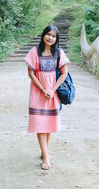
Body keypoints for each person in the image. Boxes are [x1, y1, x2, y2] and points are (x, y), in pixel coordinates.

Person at [24, 25, 70, 170]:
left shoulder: (59, 53)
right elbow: (31, 73)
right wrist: (43, 89)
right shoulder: (34, 52)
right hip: (38, 93)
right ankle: (45, 156)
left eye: (54, 36)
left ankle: (45, 151)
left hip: (52, 94)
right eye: (48, 34)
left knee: (48, 124)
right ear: (43, 35)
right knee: (40, 125)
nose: (50, 38)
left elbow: (64, 73)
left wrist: (52, 89)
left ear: (56, 39)